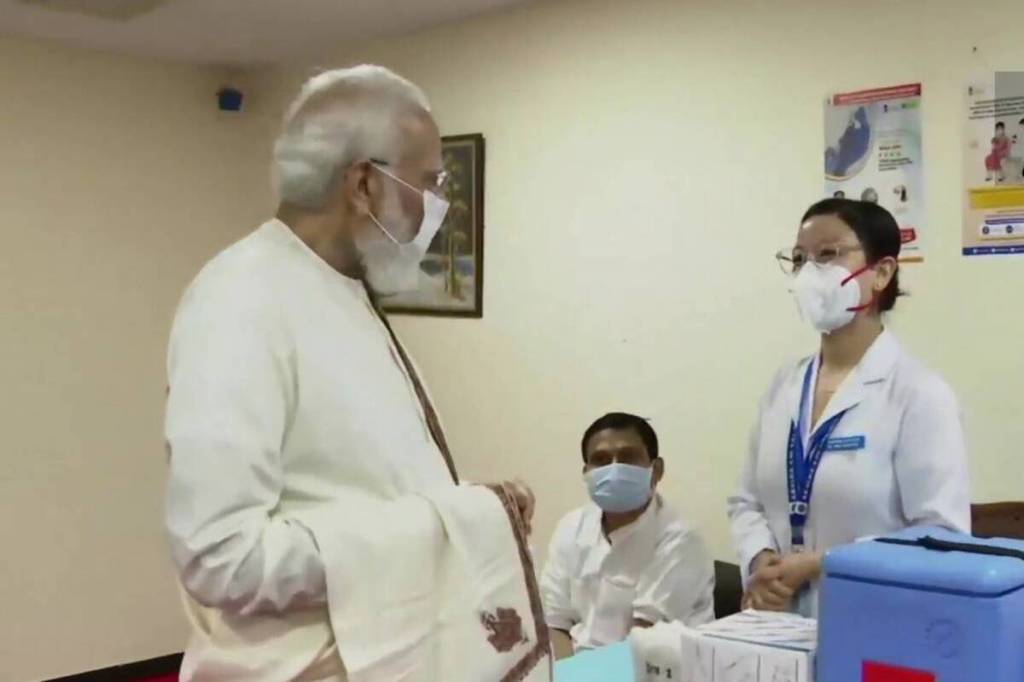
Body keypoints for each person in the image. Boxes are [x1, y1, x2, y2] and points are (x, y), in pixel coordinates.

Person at [163, 65, 542, 681]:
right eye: (429, 182)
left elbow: (359, 486)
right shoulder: (241, 299)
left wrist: (474, 509)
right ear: (365, 184)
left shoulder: (343, 291)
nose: (439, 206)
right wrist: (447, 527)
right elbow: (221, 558)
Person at [729, 198, 970, 617]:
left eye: (828, 255)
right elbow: (746, 501)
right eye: (800, 259)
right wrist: (761, 560)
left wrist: (820, 564)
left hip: (877, 622)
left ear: (881, 272)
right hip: (777, 622)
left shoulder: (918, 393)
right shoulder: (784, 386)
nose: (809, 273)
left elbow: (940, 537)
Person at [541, 413, 715, 659]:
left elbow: (642, 646)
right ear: (586, 473)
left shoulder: (681, 539)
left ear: (656, 470)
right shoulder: (571, 528)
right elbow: (555, 623)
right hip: (581, 670)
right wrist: (564, 674)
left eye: (628, 458)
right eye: (600, 460)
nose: (614, 470)